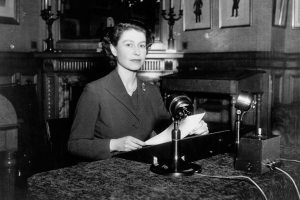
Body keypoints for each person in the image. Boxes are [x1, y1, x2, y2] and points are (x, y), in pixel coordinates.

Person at [68, 21, 208, 161]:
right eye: (129, 44)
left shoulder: (152, 91)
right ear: (114, 49)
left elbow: (166, 132)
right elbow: (75, 145)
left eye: (142, 45)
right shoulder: (94, 91)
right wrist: (114, 144)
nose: (137, 51)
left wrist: (190, 130)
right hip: (107, 171)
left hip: (143, 167)